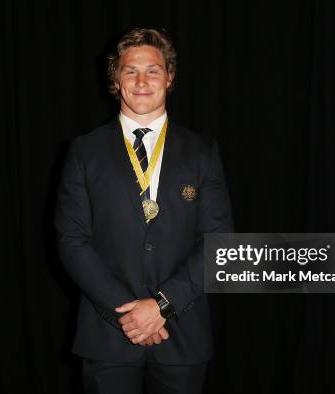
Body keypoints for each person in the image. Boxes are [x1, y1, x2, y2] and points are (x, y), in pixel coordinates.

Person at [55, 27, 233, 394]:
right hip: (108, 337)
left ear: (169, 77)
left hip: (184, 335)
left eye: (152, 70)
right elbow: (73, 242)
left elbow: (219, 242)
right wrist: (130, 314)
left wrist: (163, 306)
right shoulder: (84, 152)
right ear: (115, 80)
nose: (141, 81)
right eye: (130, 71)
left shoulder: (202, 152)